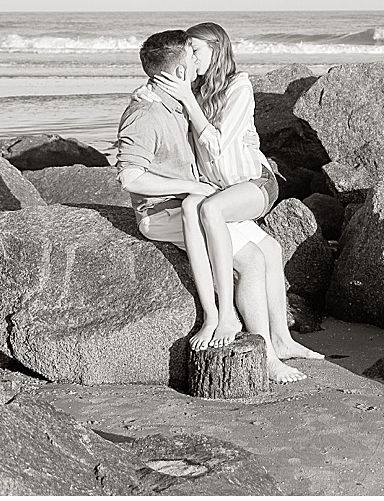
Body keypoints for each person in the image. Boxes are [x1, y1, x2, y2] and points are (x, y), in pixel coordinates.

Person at [117, 29, 321, 383]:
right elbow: (130, 178)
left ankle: (281, 340)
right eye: (190, 57)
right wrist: (191, 185)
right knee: (252, 263)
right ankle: (267, 356)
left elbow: (222, 131)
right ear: (180, 71)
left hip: (196, 200)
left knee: (270, 249)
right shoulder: (147, 112)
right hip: (166, 210)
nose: (197, 63)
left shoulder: (180, 98)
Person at [142, 23, 279, 351]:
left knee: (210, 210)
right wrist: (146, 93)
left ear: (216, 49)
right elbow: (164, 84)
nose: (191, 56)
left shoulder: (238, 88)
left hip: (253, 182)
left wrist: (189, 100)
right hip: (220, 187)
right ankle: (281, 341)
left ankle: (226, 314)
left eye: (196, 49)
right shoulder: (200, 88)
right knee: (269, 249)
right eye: (188, 51)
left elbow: (216, 146)